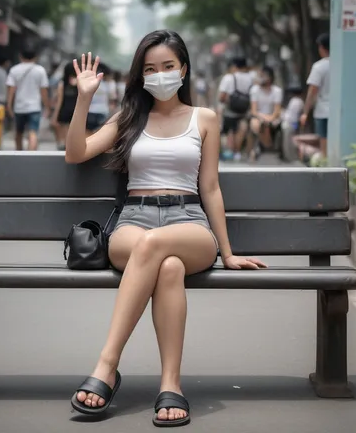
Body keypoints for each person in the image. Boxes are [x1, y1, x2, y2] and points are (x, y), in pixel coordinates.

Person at [65, 30, 266, 426]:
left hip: (188, 221)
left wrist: (226, 252)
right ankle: (170, 384)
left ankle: (107, 365)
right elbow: (75, 153)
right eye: (150, 69)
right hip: (133, 222)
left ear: (183, 69)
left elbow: (209, 187)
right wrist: (84, 97)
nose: (159, 75)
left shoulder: (204, 118)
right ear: (141, 76)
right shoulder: (128, 117)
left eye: (168, 67)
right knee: (167, 266)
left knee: (160, 248)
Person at [6, 42, 50, 151]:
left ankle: (19, 154)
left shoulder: (14, 70)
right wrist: (47, 106)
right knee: (33, 132)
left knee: (18, 132)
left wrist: (9, 105)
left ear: (20, 55)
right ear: (35, 57)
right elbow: (43, 91)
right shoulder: (40, 71)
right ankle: (31, 156)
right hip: (34, 107)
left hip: (19, 107)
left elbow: (11, 90)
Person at [300, 33, 330, 157]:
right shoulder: (342, 65)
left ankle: (326, 164)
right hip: (340, 111)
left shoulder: (319, 67)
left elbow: (312, 91)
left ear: (322, 48)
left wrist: (305, 112)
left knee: (324, 140)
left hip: (323, 110)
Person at [217, 57, 252, 161]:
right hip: (244, 110)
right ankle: (237, 153)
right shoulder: (250, 78)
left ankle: (226, 153)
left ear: (234, 66)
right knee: (240, 131)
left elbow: (221, 97)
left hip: (229, 111)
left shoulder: (229, 77)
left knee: (226, 131)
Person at [248, 65, 283, 159]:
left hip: (273, 117)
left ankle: (264, 147)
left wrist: (270, 118)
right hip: (258, 117)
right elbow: (254, 110)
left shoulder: (277, 91)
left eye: (263, 75)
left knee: (266, 125)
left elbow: (277, 111)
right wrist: (263, 118)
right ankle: (265, 147)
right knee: (258, 125)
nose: (260, 78)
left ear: (270, 77)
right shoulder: (254, 90)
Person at [51, 60, 78, 150]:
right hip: (76, 111)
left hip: (64, 111)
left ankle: (63, 146)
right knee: (73, 133)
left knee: (65, 133)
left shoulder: (63, 84)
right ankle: (69, 147)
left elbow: (60, 100)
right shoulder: (80, 83)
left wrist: (55, 116)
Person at [85, 62, 116, 135]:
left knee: (87, 133)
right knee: (98, 134)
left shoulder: (91, 81)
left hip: (90, 110)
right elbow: (112, 99)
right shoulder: (110, 83)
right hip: (103, 111)